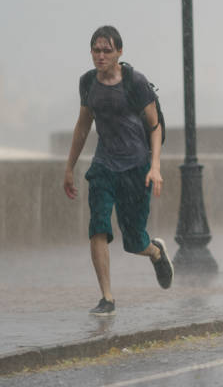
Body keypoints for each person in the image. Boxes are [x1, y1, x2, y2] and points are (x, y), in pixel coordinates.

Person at [63, 25, 173, 316]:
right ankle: (107, 298)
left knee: (134, 240)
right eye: (96, 50)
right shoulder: (87, 83)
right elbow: (83, 125)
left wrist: (156, 167)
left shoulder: (135, 82)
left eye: (107, 50)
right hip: (104, 165)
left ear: (119, 52)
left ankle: (156, 251)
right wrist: (69, 167)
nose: (100, 55)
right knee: (98, 226)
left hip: (137, 166)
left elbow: (154, 125)